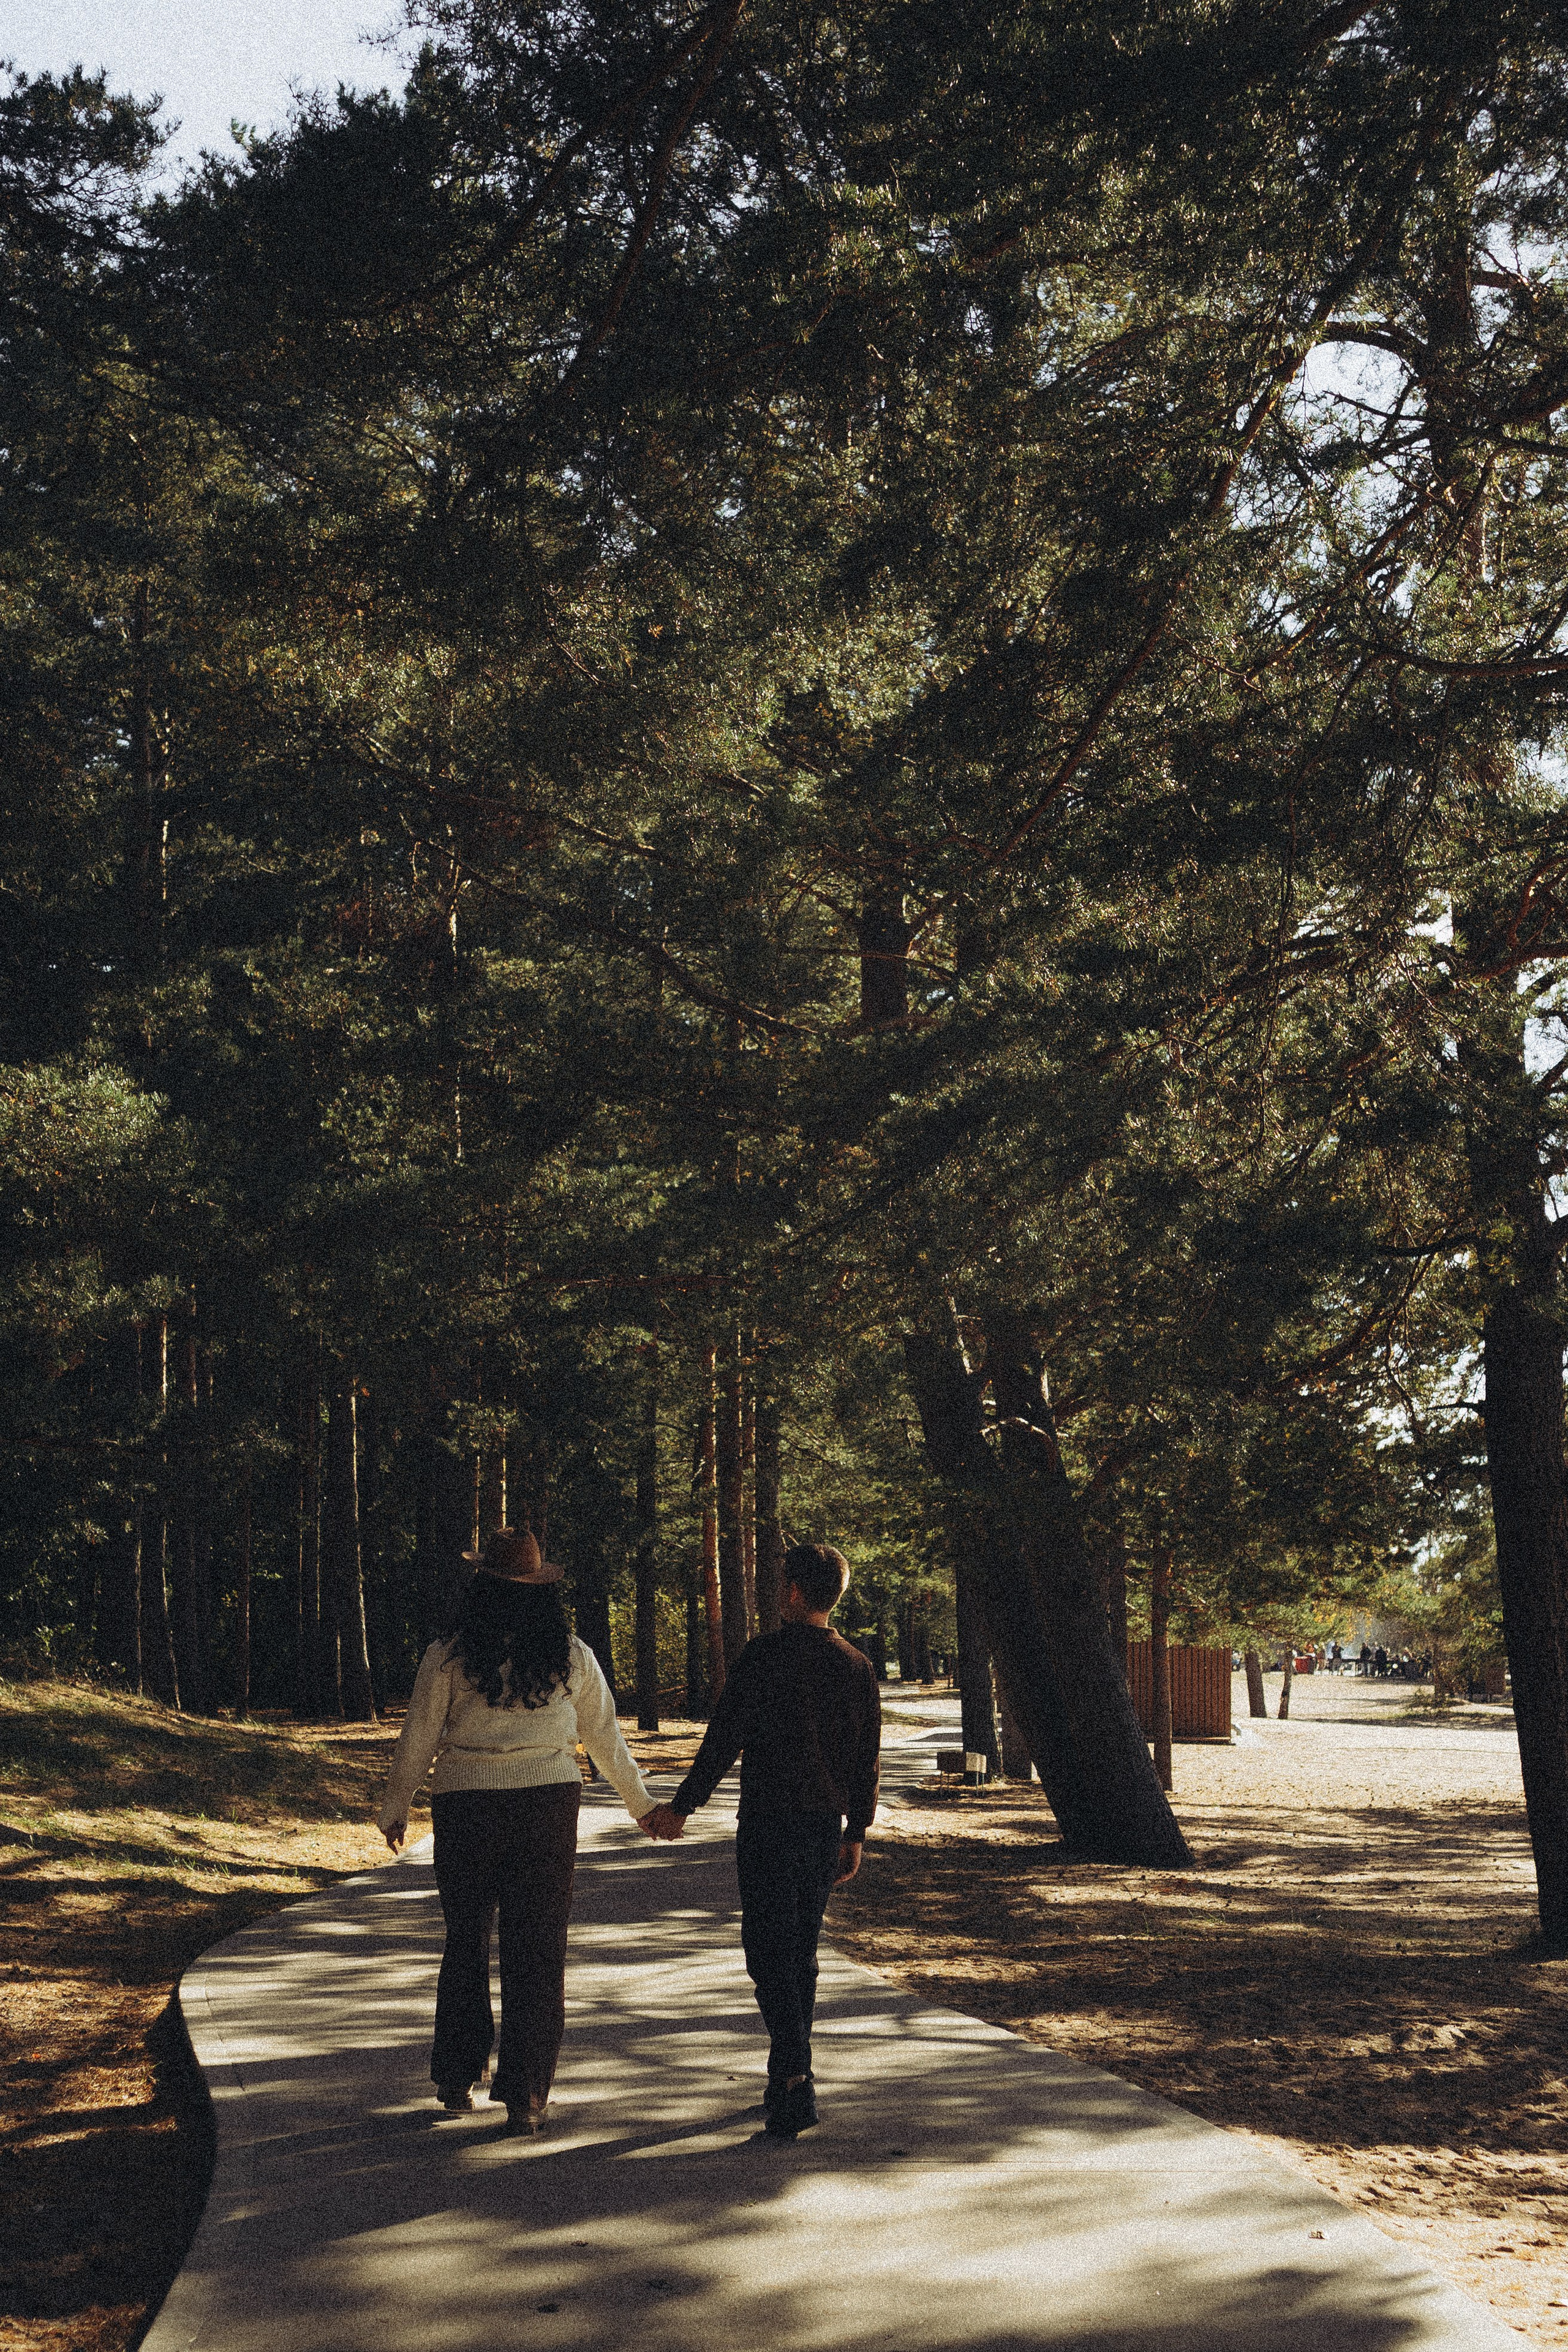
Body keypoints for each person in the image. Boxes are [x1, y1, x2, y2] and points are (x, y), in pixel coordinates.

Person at [376, 1526, 662, 2135]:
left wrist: (396, 1806)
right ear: (540, 1591)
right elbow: (604, 1738)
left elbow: (419, 1735)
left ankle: (457, 2076)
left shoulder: (448, 1653)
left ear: (481, 1586)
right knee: (538, 1950)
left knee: (466, 1940)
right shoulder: (570, 1654)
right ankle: (526, 2096)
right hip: (547, 1807)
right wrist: (640, 1806)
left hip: (466, 1804)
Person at [644, 1541, 881, 2141]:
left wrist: (682, 1808)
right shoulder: (856, 1665)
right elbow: (865, 1760)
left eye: (781, 1584)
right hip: (822, 1828)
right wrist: (856, 1832)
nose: (777, 1593)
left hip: (770, 1824)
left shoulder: (763, 1657)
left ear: (795, 1594)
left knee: (766, 1951)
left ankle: (795, 2073)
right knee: (798, 1951)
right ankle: (787, 2076)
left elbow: (724, 1740)